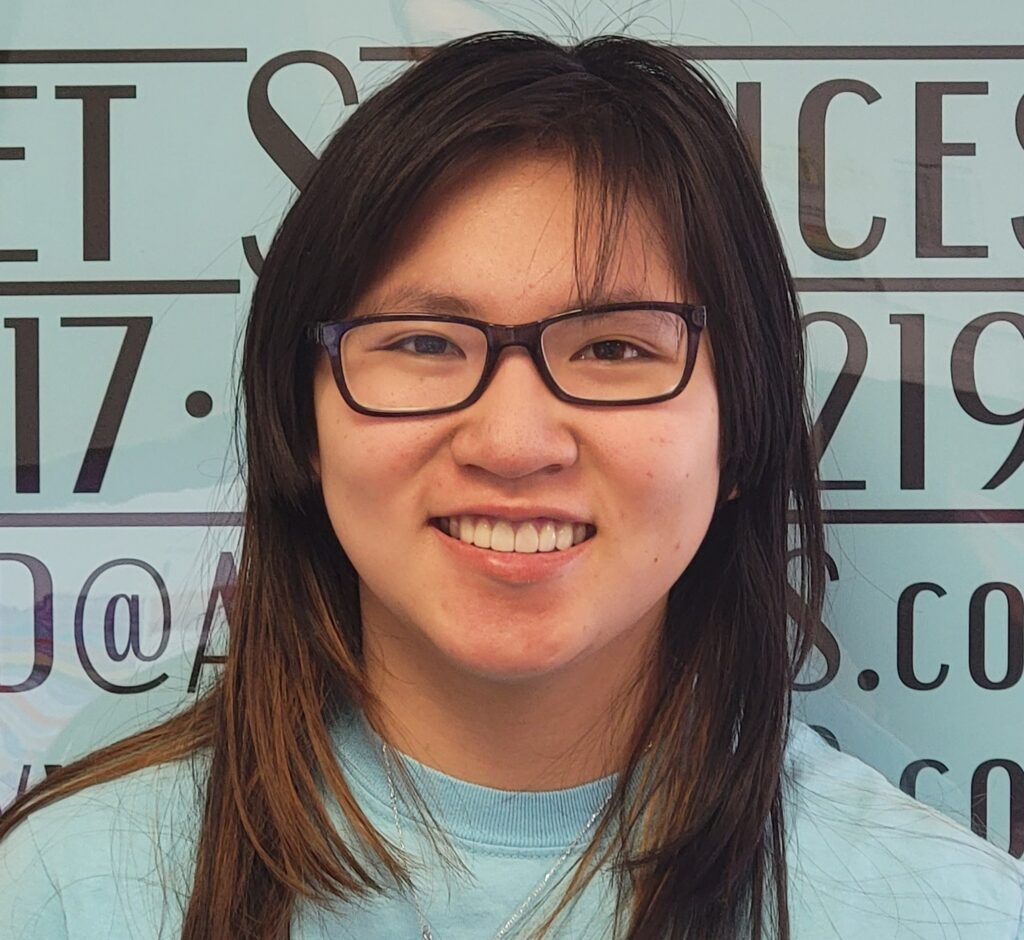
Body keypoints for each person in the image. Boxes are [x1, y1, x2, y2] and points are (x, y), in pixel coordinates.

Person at [0, 30, 1022, 940]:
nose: (514, 439)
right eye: (423, 341)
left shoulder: (950, 909)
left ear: (741, 427)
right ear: (299, 419)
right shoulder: (70, 885)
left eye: (616, 347)